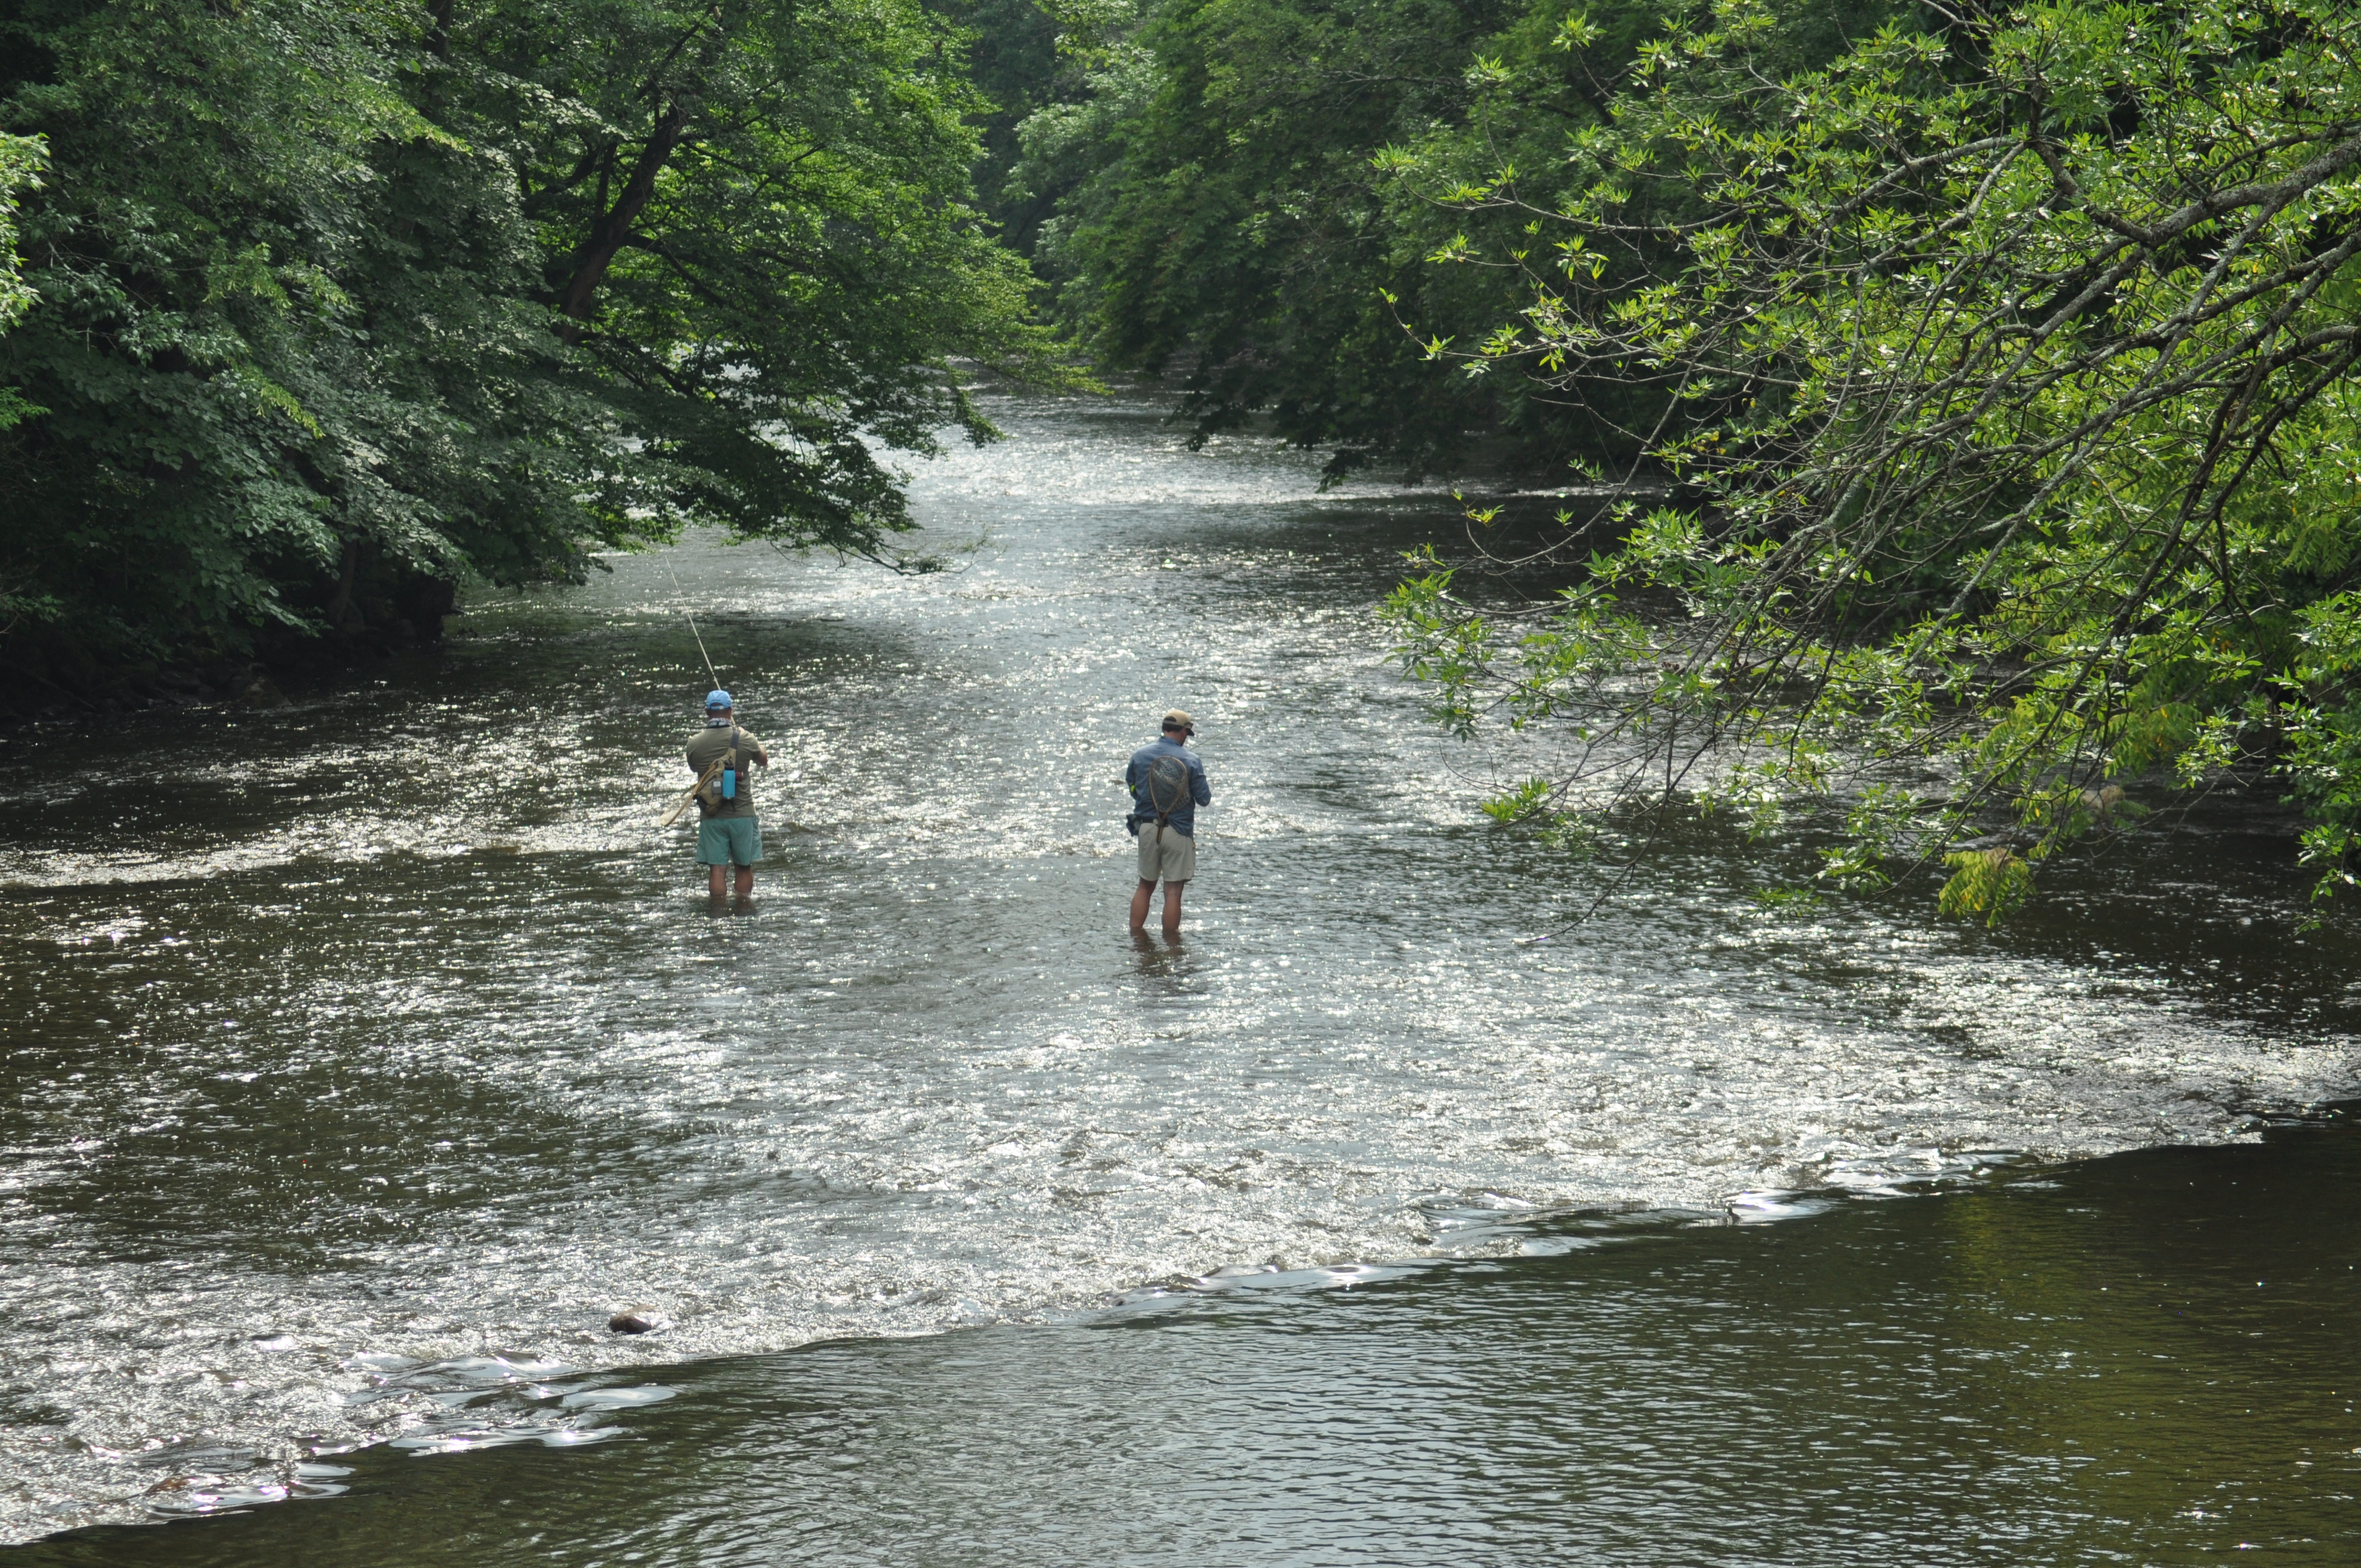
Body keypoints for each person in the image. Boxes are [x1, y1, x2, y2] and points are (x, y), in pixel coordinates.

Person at [1126, 709, 1211, 938]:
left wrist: (1143, 800)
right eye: (1187, 733)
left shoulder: (1140, 755)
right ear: (1184, 731)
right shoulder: (1191, 760)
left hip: (1146, 828)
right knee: (1173, 892)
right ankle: (1172, 946)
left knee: (1145, 886)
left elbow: (1132, 785)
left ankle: (1136, 942)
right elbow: (1204, 800)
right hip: (1178, 831)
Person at [686, 689, 769, 904]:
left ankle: (718, 911)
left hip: (711, 814)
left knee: (717, 870)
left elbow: (695, 767)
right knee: (743, 867)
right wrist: (753, 742)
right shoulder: (745, 737)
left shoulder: (694, 743)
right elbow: (763, 760)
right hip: (741, 813)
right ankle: (743, 907)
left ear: (707, 712)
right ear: (730, 711)